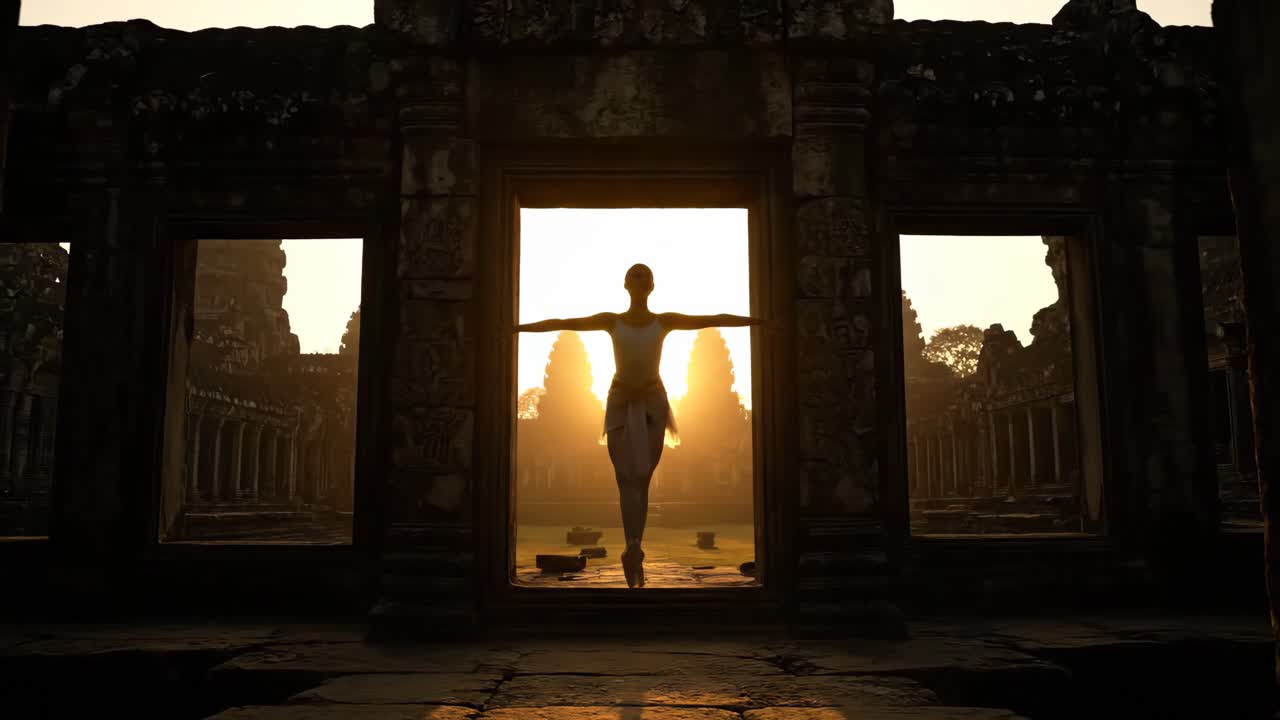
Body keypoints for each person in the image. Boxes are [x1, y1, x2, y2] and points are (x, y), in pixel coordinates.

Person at [515, 263, 762, 588]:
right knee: (624, 478)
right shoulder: (611, 321)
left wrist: (757, 321)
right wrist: (517, 328)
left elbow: (713, 318)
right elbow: (564, 322)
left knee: (642, 479)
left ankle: (635, 547)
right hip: (620, 400)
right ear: (625, 284)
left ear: (652, 286)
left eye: (644, 274)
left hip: (652, 402)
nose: (639, 277)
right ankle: (632, 546)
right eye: (634, 273)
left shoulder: (664, 321)